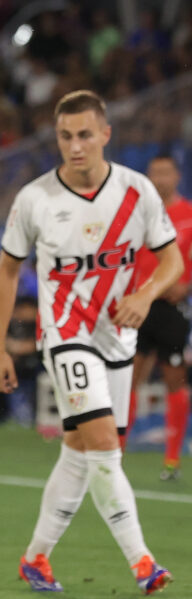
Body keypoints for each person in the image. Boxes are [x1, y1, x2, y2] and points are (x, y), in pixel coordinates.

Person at [0, 90, 181, 595]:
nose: (75, 146)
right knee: (104, 445)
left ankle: (35, 558)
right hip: (67, 336)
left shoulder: (137, 192)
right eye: (65, 137)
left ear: (105, 135)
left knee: (78, 450)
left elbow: (173, 262)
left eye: (85, 135)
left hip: (118, 337)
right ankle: (143, 563)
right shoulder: (34, 199)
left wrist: (145, 293)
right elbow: (6, 275)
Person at [127, 155, 192, 480]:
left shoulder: (189, 214)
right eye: (154, 173)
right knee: (128, 380)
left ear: (177, 176)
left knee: (174, 382)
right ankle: (116, 455)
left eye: (166, 172)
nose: (160, 178)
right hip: (139, 305)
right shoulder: (138, 216)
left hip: (170, 309)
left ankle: (172, 460)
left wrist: (186, 285)